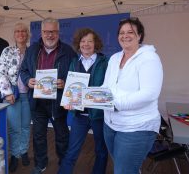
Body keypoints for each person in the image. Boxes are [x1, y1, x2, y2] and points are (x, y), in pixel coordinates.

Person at [102, 17, 163, 174]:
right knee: (124, 168)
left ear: (139, 35)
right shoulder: (115, 58)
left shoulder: (149, 58)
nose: (125, 35)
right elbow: (105, 87)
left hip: (137, 127)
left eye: (130, 32)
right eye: (121, 32)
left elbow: (149, 94)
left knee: (123, 171)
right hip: (110, 124)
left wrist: (117, 103)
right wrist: (84, 97)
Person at [20, 17, 77, 174]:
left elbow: (76, 73)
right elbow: (23, 70)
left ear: (58, 32)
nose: (49, 35)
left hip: (57, 102)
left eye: (53, 32)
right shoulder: (32, 50)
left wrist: (65, 82)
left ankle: (64, 164)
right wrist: (27, 80)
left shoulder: (68, 51)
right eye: (46, 32)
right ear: (41, 32)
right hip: (37, 103)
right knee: (38, 136)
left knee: (61, 136)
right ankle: (40, 164)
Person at [58, 28, 108, 174]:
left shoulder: (105, 62)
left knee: (101, 151)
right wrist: (68, 100)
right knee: (71, 151)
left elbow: (109, 88)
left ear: (96, 43)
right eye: (83, 41)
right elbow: (71, 86)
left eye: (90, 41)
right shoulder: (74, 62)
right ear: (78, 44)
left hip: (99, 116)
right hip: (79, 116)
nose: (86, 44)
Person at [0, 23, 31, 172]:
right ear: (14, 34)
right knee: (13, 128)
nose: (21, 33)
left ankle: (23, 151)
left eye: (24, 31)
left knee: (25, 126)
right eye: (18, 31)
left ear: (27, 34)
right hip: (12, 95)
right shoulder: (7, 51)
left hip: (29, 95)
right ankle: (14, 155)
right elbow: (1, 72)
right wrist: (7, 92)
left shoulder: (32, 51)